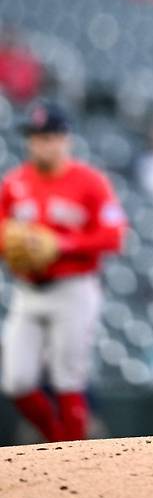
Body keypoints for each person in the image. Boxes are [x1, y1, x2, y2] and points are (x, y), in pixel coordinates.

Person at [0, 101, 127, 442]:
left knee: (67, 378)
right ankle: (57, 441)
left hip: (74, 288)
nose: (42, 143)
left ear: (65, 138)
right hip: (27, 291)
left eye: (50, 135)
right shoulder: (15, 183)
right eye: (37, 136)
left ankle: (72, 457)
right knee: (16, 381)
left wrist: (61, 245)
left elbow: (114, 236)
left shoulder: (90, 182)